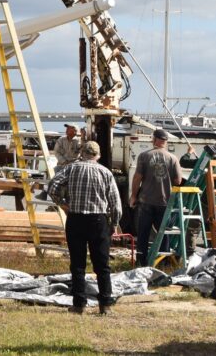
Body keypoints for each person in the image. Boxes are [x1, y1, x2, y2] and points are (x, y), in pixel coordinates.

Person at [47, 140, 121, 315]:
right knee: (102, 265)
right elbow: (116, 204)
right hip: (98, 221)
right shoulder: (105, 172)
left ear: (83, 154)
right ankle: (105, 304)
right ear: (98, 155)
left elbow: (52, 187)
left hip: (76, 219)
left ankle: (79, 304)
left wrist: (63, 204)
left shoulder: (72, 168)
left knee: (78, 264)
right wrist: (114, 224)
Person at [130, 128, 183, 266]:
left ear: (154, 139)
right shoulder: (173, 158)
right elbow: (178, 181)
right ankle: (163, 262)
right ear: (165, 142)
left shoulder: (144, 156)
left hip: (146, 201)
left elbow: (137, 178)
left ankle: (141, 261)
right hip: (165, 201)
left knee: (143, 233)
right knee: (163, 233)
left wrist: (133, 196)